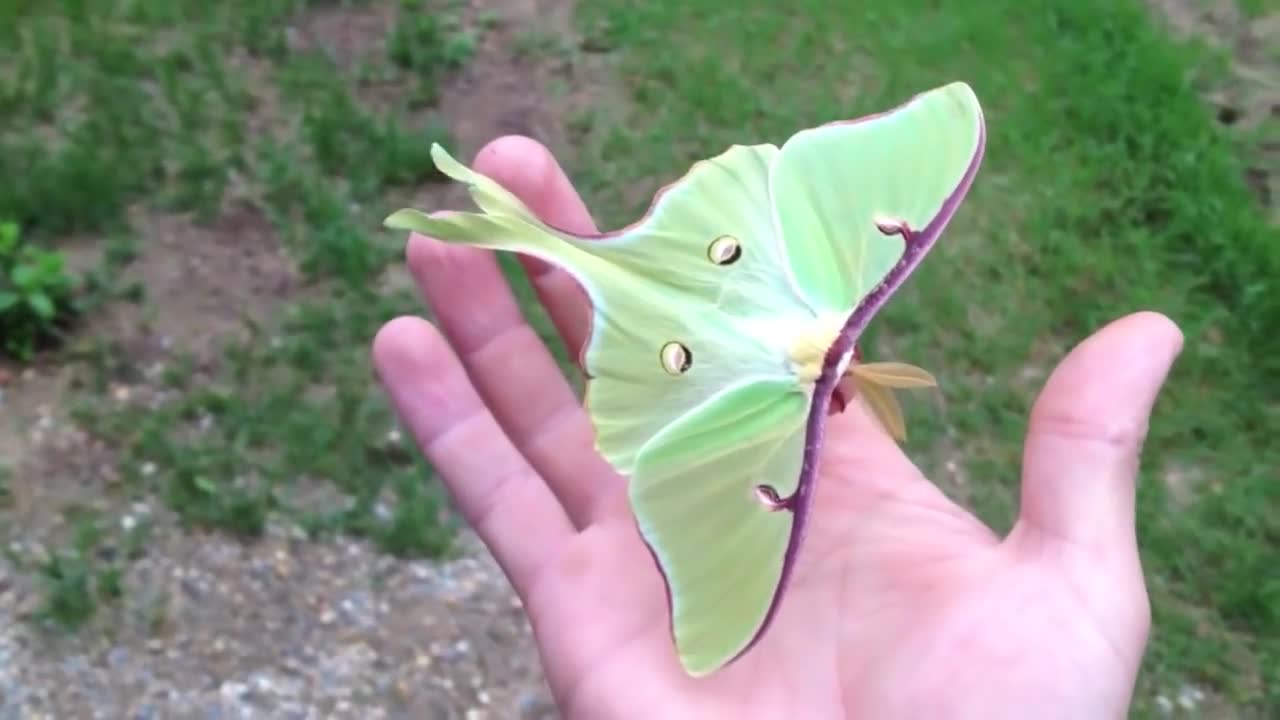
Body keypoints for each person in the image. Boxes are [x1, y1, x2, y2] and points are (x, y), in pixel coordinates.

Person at [371, 135, 1184, 719]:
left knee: (581, 253)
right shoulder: (792, 417)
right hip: (703, 319)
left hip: (730, 288)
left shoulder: (824, 344)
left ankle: (481, 211)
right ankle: (487, 217)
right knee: (571, 251)